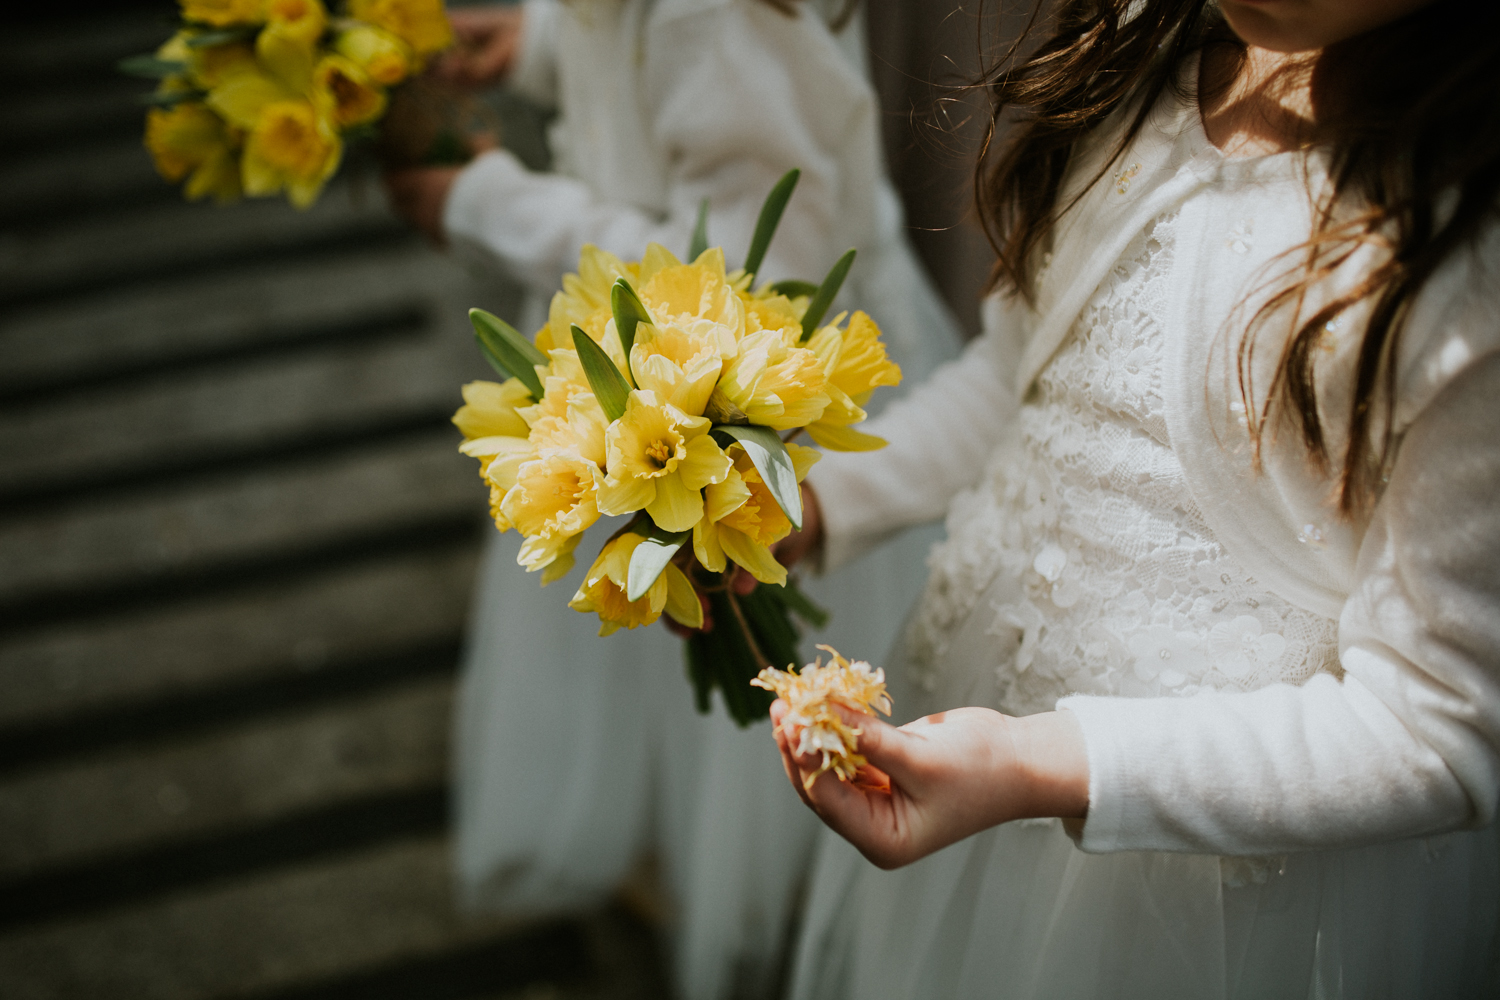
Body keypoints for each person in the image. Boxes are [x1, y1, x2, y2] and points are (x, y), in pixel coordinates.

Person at [767, 0, 1500, 996]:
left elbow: (1436, 723)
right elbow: (1017, 378)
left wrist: (1046, 766)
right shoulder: (1146, 49)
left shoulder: (1469, 251)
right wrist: (815, 506)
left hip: (1199, 881)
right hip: (978, 730)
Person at [382, 2, 963, 997]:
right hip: (639, 368)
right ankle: (701, 837)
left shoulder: (715, 12)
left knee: (768, 667)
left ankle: (786, 871)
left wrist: (484, 203)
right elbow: (654, 76)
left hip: (765, 400)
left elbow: (749, 271)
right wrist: (550, 44)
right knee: (663, 638)